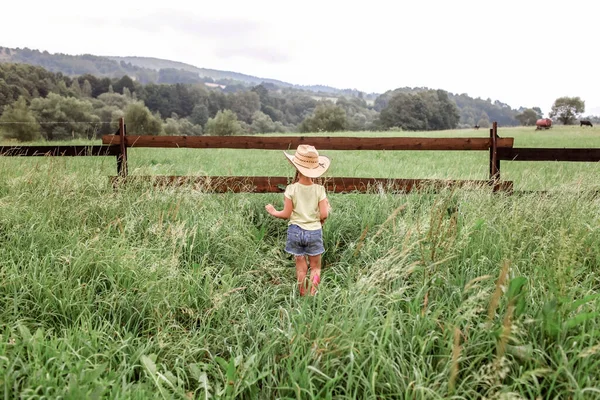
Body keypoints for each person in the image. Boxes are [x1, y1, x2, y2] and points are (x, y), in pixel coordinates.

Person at [265, 145, 331, 296]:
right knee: (315, 268)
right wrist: (320, 221)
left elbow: (286, 214)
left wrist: (273, 212)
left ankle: (303, 294)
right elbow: (324, 213)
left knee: (301, 269)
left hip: (295, 232)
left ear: (296, 167)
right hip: (314, 231)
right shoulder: (319, 190)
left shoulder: (291, 189)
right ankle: (313, 294)